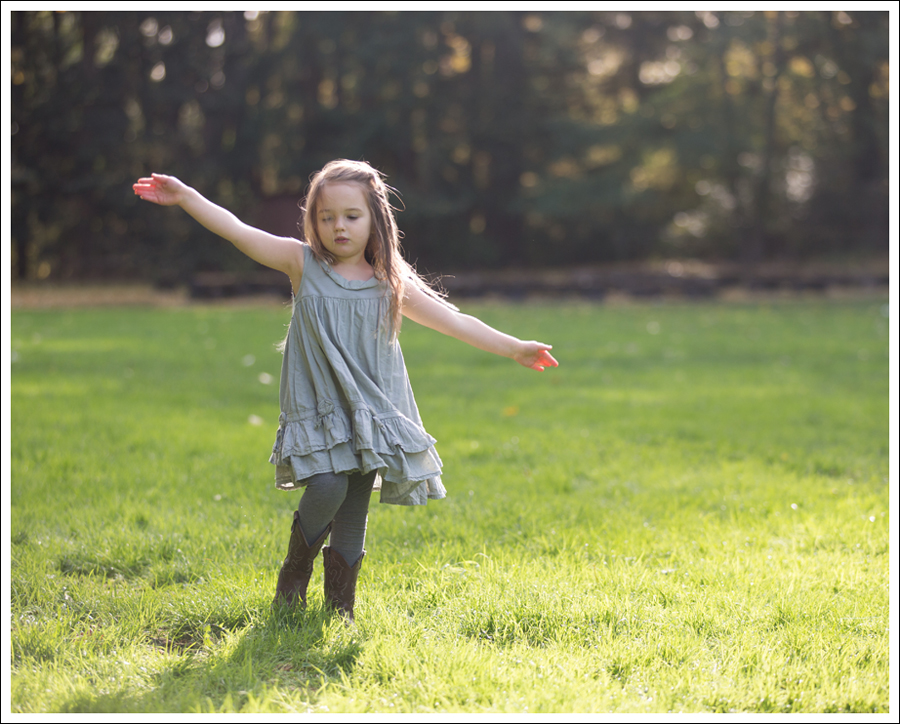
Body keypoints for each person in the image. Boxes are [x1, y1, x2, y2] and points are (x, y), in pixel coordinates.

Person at [132, 159, 558, 621]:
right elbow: (238, 231)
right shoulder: (303, 263)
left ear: (375, 219)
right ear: (313, 221)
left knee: (354, 505)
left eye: (351, 216)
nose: (339, 226)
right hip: (319, 404)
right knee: (328, 484)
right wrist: (186, 196)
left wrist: (514, 347)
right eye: (326, 217)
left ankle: (340, 610)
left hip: (371, 408)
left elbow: (455, 322)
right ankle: (294, 573)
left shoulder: (389, 281)